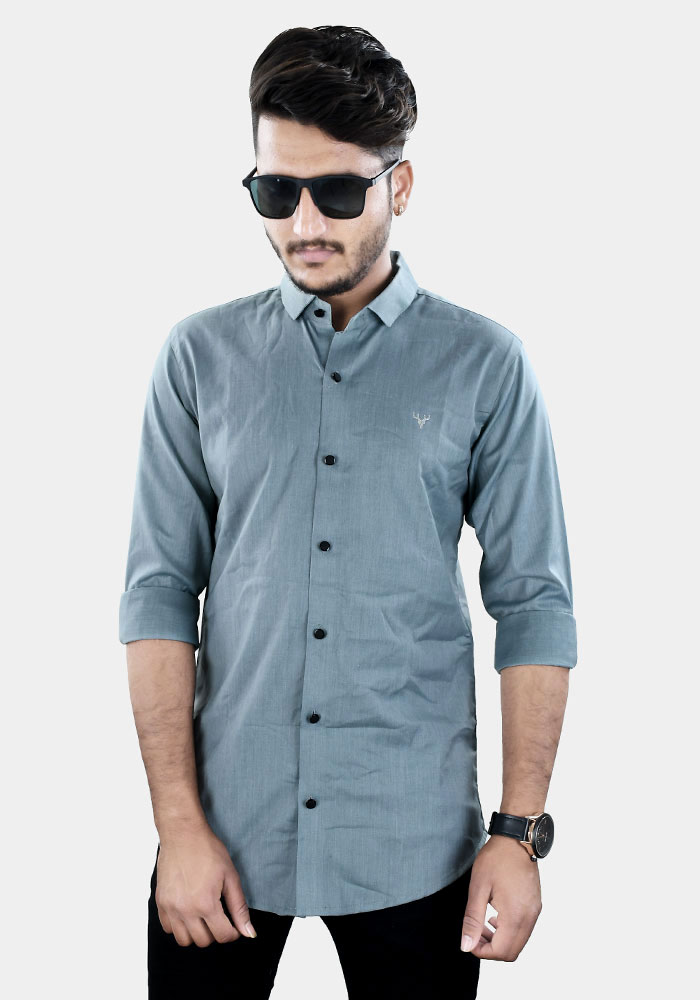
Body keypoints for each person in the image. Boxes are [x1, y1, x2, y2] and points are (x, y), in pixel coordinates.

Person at [119, 24, 577, 999]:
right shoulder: (197, 358)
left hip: (415, 843)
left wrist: (517, 831)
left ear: (398, 187)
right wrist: (178, 826)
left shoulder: (485, 365)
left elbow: (534, 604)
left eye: (336, 191)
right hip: (224, 841)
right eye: (275, 193)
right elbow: (157, 597)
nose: (304, 224)